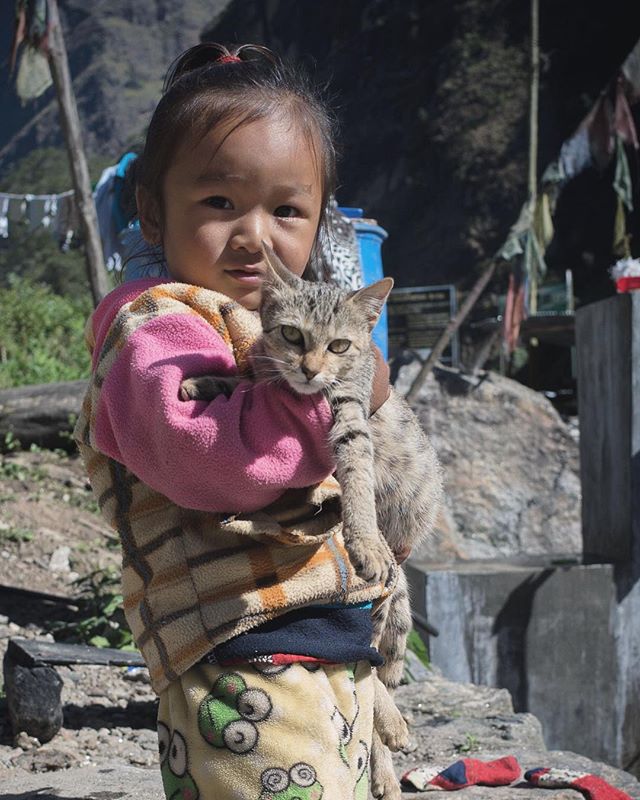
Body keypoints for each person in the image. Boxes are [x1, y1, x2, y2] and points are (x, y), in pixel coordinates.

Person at [74, 42, 396, 800]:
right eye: (221, 204)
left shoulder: (270, 326)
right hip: (235, 650)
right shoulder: (152, 326)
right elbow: (212, 454)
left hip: (318, 638)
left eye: (287, 209)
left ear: (322, 222)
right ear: (152, 209)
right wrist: (341, 393)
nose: (255, 234)